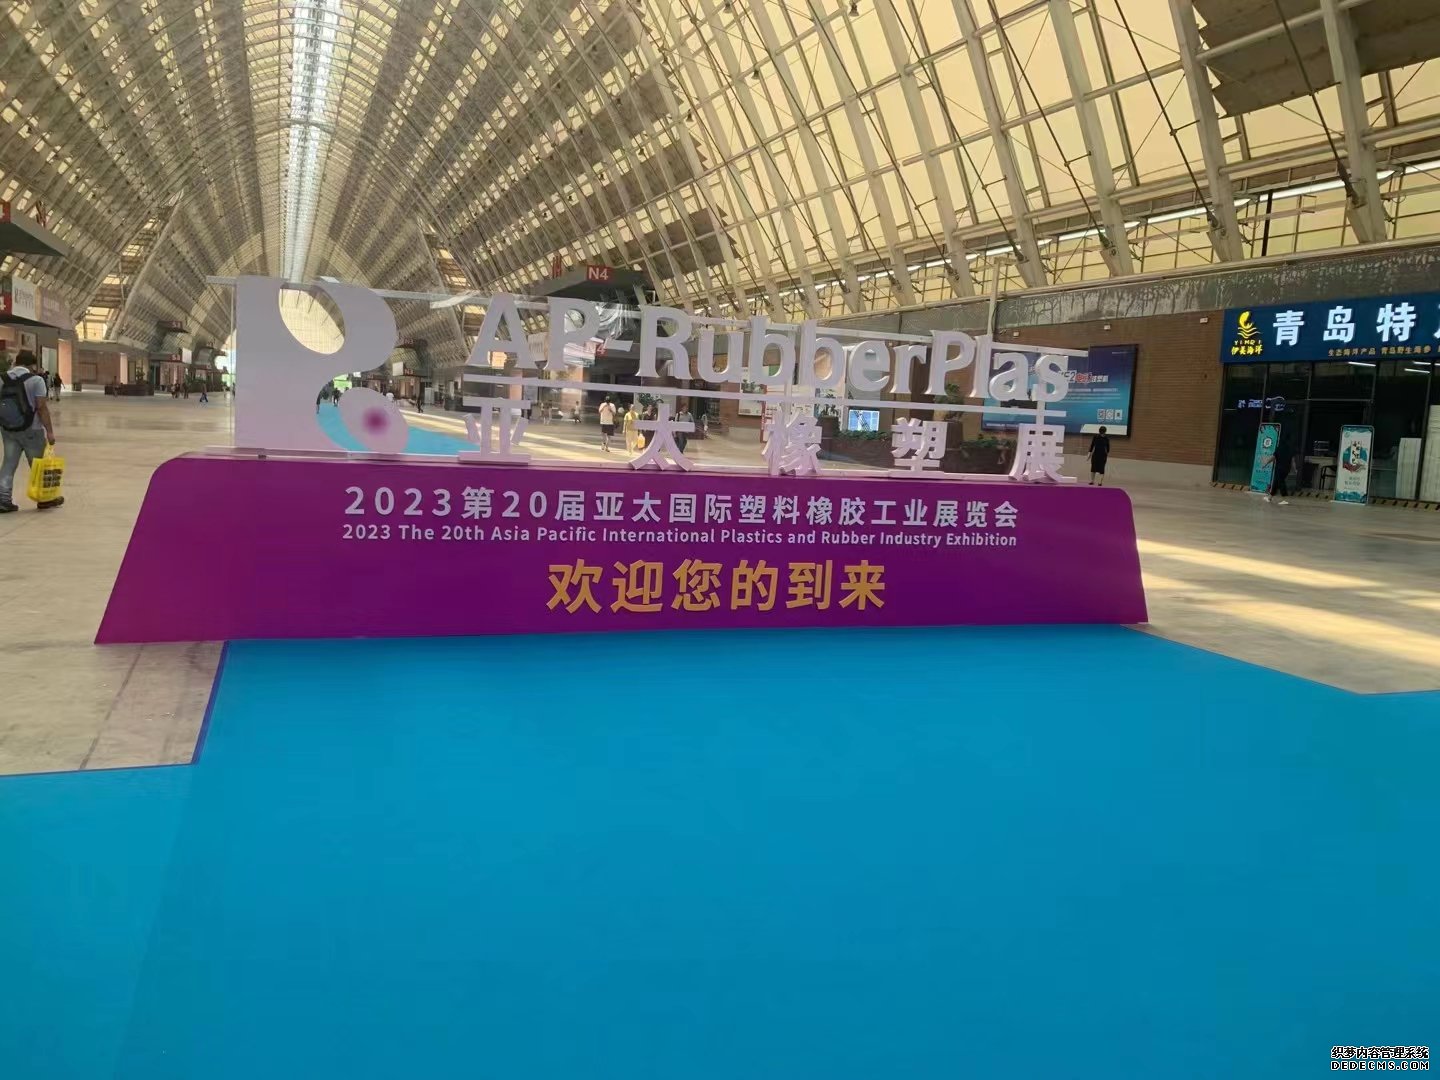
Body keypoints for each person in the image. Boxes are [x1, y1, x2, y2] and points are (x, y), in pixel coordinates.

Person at [0, 350, 60, 513]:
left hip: (8, 429)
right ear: (32, 365)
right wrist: (49, 431)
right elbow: (41, 407)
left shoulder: (2, 379)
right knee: (37, 464)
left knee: (8, 464)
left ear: (16, 363)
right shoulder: (36, 380)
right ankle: (44, 499)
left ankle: (3, 500)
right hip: (32, 429)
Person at [1265, 440, 1293, 505]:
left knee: (1281, 482)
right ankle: (1269, 498)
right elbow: (1292, 461)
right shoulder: (1289, 450)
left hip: (1279, 468)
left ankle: (1285, 499)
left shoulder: (1279, 449)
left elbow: (1273, 457)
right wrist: (1294, 469)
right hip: (1286, 469)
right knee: (1276, 482)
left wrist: (1266, 463)